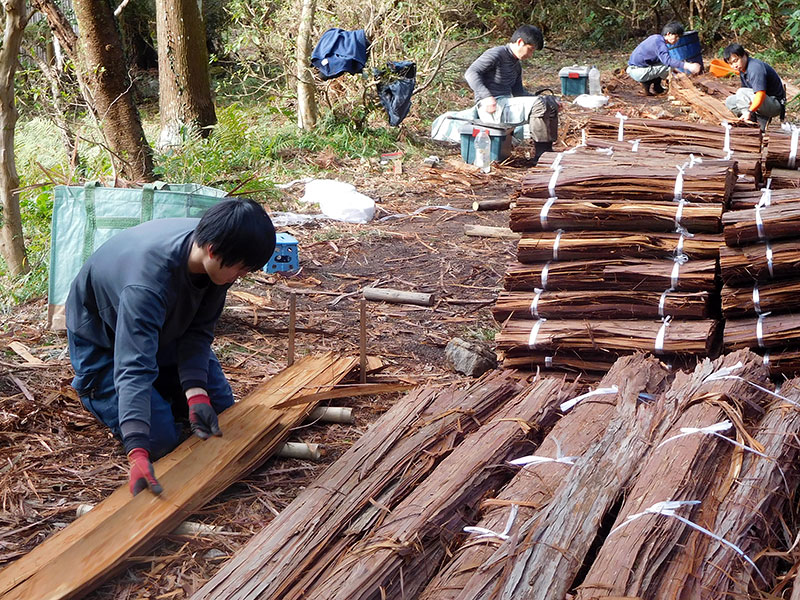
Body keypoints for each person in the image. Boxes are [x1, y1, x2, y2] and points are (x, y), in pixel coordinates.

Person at [66, 198, 276, 496]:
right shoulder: (147, 285)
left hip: (165, 329)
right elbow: (134, 368)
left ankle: (168, 386)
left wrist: (195, 393)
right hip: (105, 342)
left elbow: (198, 331)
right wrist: (137, 449)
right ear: (213, 252)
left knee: (223, 413)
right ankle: (95, 389)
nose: (238, 278)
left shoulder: (219, 251)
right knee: (160, 441)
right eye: (240, 271)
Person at [464, 25, 559, 161]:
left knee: (549, 102)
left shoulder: (516, 65)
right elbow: (471, 73)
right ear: (520, 42)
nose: (530, 55)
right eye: (530, 50)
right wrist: (486, 97)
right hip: (492, 108)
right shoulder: (496, 53)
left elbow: (519, 93)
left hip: (506, 106)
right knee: (541, 103)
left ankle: (547, 150)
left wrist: (549, 102)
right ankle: (541, 156)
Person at [627, 22, 701, 95]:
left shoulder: (657, 38)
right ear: (668, 34)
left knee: (667, 66)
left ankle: (656, 87)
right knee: (668, 66)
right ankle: (648, 84)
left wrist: (675, 70)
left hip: (636, 68)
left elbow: (661, 59)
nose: (677, 39)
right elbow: (667, 61)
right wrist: (689, 66)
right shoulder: (659, 43)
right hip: (637, 71)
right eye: (676, 36)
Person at [723, 43, 785, 130]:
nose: (734, 66)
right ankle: (755, 119)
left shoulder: (755, 68)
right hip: (761, 102)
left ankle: (749, 119)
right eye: (730, 63)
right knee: (730, 101)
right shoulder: (742, 69)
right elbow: (748, 92)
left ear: (744, 55)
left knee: (741, 92)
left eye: (735, 61)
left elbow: (760, 94)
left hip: (774, 104)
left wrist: (749, 111)